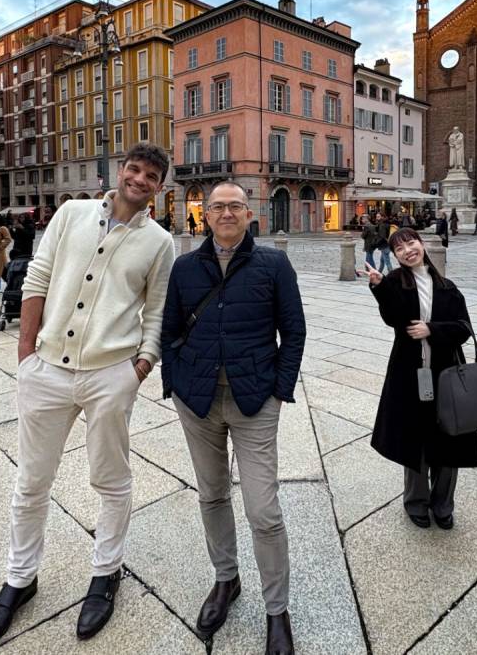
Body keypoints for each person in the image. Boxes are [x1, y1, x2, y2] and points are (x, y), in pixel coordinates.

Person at [0, 144, 175, 650]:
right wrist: (26, 351)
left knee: (110, 478)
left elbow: (157, 310)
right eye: (134, 169)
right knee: (31, 480)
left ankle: (106, 573)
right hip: (46, 368)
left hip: (112, 372)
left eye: (151, 175)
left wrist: (141, 367)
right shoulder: (71, 214)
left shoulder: (159, 242)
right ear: (120, 171)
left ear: (159, 186)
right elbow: (38, 276)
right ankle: (20, 579)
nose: (140, 179)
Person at [161, 181, 305, 653]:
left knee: (264, 510)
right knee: (212, 494)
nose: (226, 213)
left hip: (254, 399)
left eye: (235, 206)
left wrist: (279, 391)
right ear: (205, 214)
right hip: (197, 400)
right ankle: (227, 579)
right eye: (217, 206)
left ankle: (277, 609)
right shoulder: (185, 267)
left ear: (249, 213)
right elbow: (169, 328)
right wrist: (173, 382)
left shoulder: (273, 264)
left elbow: (294, 331)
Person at [365, 227, 475, 531]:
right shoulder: (394, 282)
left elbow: (464, 328)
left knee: (449, 439)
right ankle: (416, 501)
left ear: (421, 244)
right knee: (415, 439)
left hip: (446, 375)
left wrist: (432, 330)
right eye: (399, 249)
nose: (407, 251)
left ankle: (443, 505)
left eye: (410, 243)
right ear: (395, 256)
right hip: (410, 374)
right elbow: (393, 319)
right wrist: (379, 287)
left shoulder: (447, 287)